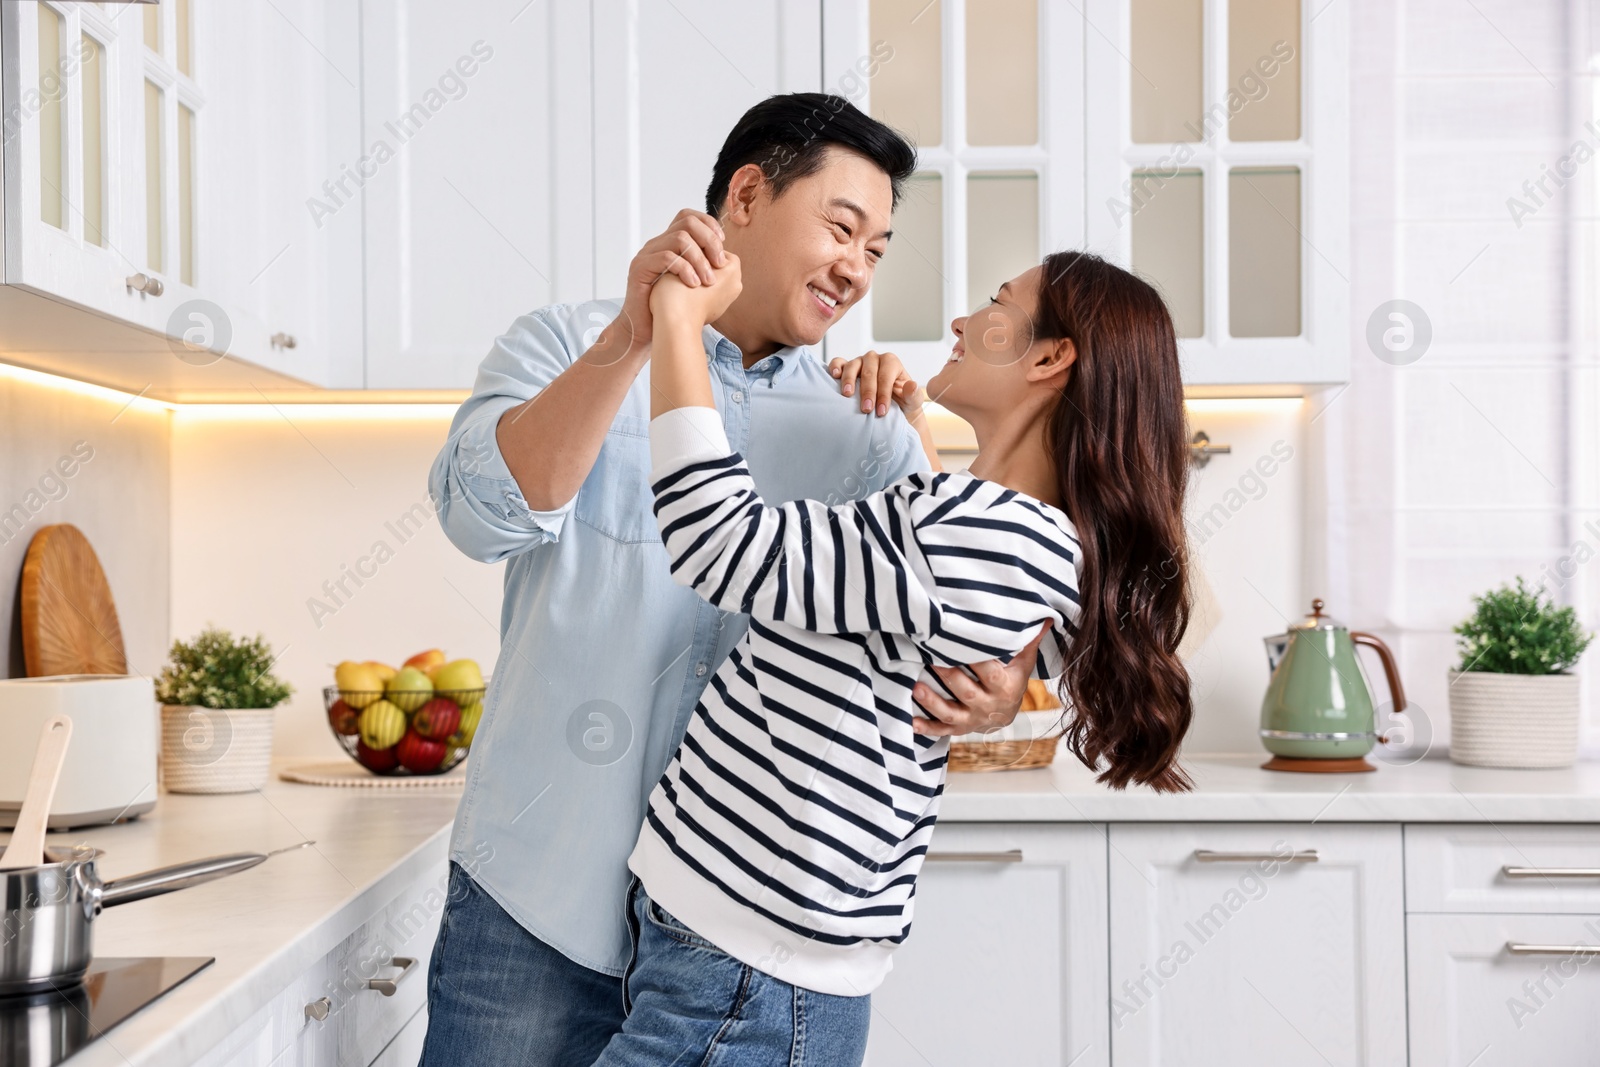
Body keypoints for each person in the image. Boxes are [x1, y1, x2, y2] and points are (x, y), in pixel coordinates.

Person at [420, 93, 1043, 1066]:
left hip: (735, 935)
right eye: (842, 227)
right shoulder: (565, 341)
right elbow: (480, 516)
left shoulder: (864, 426)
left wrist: (996, 693)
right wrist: (634, 336)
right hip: (534, 908)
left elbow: (959, 610)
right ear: (746, 194)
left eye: (876, 250)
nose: (855, 267)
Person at [588, 247, 1198, 1065]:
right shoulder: (1013, 532)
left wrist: (676, 320)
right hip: (752, 952)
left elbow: (718, 543)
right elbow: (915, 605)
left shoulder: (983, 533)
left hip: (744, 965)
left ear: (1052, 357)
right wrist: (915, 433)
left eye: (996, 303)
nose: (961, 320)